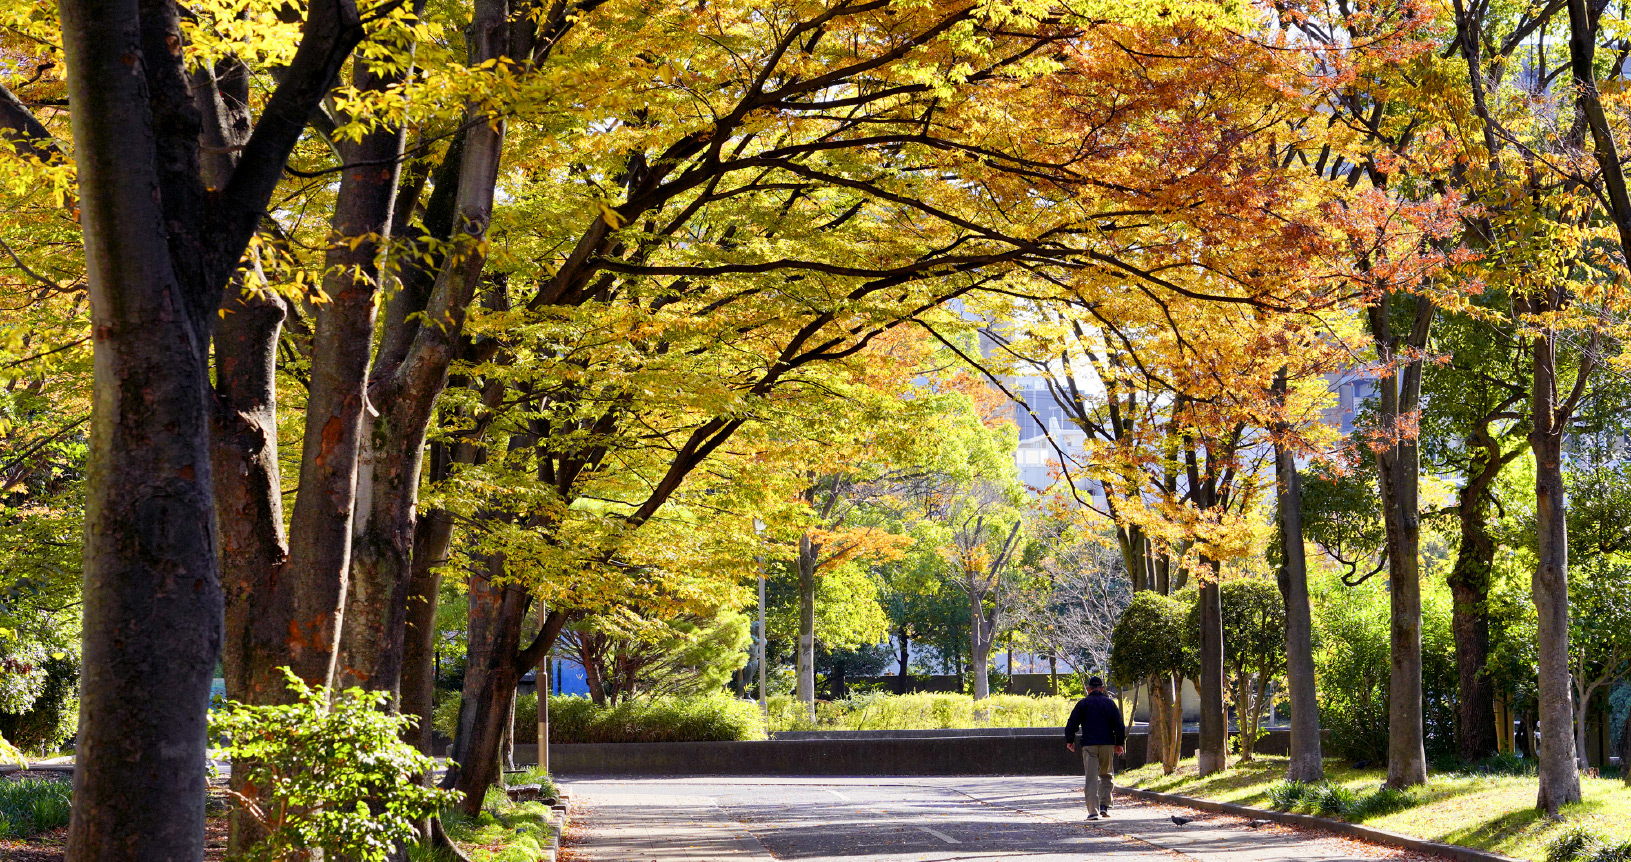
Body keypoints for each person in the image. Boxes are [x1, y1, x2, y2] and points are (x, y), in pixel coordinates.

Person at [1065, 676, 1125, 820]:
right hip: (1107, 744)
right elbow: (1119, 725)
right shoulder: (1110, 704)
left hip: (1089, 744)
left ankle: (1093, 811)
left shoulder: (1083, 704)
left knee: (1091, 778)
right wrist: (1119, 743)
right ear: (1102, 688)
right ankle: (1104, 806)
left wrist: (1070, 740)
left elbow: (1072, 723)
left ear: (1088, 688)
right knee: (1106, 775)